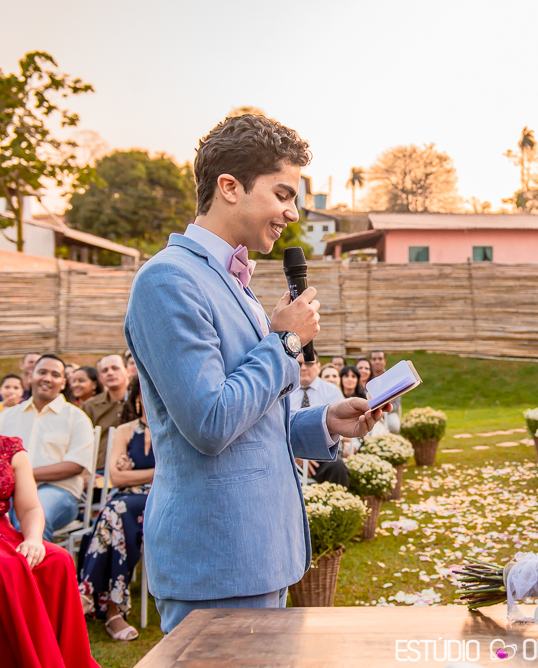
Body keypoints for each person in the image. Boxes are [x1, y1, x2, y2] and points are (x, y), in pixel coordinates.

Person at [123, 114, 386, 633]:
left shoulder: (233, 283)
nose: (292, 212)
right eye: (283, 194)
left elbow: (255, 419)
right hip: (217, 559)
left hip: (261, 553)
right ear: (229, 187)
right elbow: (211, 422)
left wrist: (326, 423)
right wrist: (286, 341)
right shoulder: (168, 280)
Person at [0, 432, 99, 668]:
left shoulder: (10, 448)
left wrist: (33, 539)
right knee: (5, 567)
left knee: (58, 559)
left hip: (2, 529)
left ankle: (67, 660)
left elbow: (31, 507)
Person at [78, 378, 154, 641]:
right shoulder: (123, 430)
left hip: (158, 499)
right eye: (145, 393)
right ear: (136, 399)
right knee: (117, 514)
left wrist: (138, 474)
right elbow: (116, 479)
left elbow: (172, 475)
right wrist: (153, 474)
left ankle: (87, 594)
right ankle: (113, 612)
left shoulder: (173, 428)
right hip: (123, 503)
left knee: (114, 511)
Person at [0, 354, 96, 541]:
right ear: (30, 376)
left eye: (55, 374)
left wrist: (23, 475)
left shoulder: (77, 418)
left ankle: (37, 569)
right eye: (42, 372)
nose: (47, 378)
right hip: (7, 493)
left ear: (64, 383)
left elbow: (75, 465)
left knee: (34, 516)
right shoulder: (5, 418)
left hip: (59, 492)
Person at [288, 352, 348, 486]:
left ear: (318, 366)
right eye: (299, 364)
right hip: (288, 452)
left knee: (337, 468)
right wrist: (296, 454)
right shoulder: (285, 392)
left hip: (322, 452)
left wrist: (311, 452)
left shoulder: (331, 391)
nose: (303, 368)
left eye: (308, 363)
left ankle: (339, 504)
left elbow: (341, 427)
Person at [83, 354, 130, 471]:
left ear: (128, 371)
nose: (110, 373)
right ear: (100, 378)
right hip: (98, 471)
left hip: (134, 470)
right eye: (105, 370)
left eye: (115, 368)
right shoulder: (90, 406)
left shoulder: (142, 403)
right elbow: (82, 444)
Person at [370, 350, 401, 433]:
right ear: (370, 361)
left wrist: (383, 411)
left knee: (394, 425)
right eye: (374, 359)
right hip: (370, 412)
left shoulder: (392, 378)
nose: (377, 361)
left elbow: (396, 403)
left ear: (385, 361)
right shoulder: (366, 378)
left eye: (380, 359)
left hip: (389, 412)